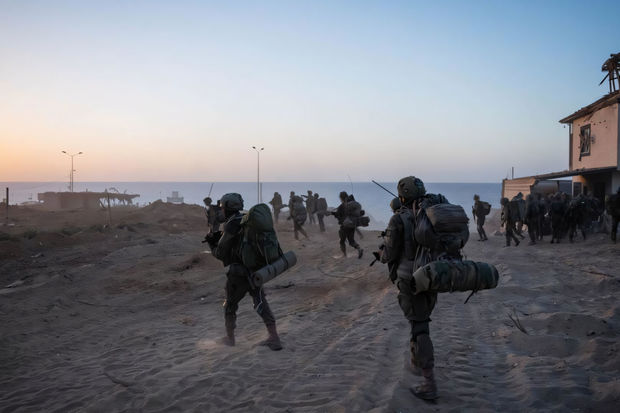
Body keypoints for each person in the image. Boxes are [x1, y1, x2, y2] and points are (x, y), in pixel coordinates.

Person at [378, 176, 440, 400]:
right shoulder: (432, 214)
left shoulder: (398, 218)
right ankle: (417, 360)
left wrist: (381, 252)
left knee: (419, 327)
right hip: (433, 275)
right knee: (421, 320)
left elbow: (389, 254)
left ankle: (429, 383)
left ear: (402, 195)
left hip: (410, 279)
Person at [205, 193, 283, 351]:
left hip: (238, 274)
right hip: (255, 270)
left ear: (227, 208)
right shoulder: (245, 219)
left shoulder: (231, 225)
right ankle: (274, 336)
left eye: (222, 208)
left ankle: (230, 338)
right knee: (260, 301)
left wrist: (212, 243)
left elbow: (220, 253)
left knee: (230, 304)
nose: (221, 210)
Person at [332, 191, 363, 258]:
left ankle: (344, 254)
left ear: (341, 198)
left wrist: (334, 213)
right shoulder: (351, 204)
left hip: (345, 225)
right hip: (352, 225)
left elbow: (338, 215)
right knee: (351, 241)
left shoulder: (342, 206)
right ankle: (359, 248)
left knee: (342, 241)